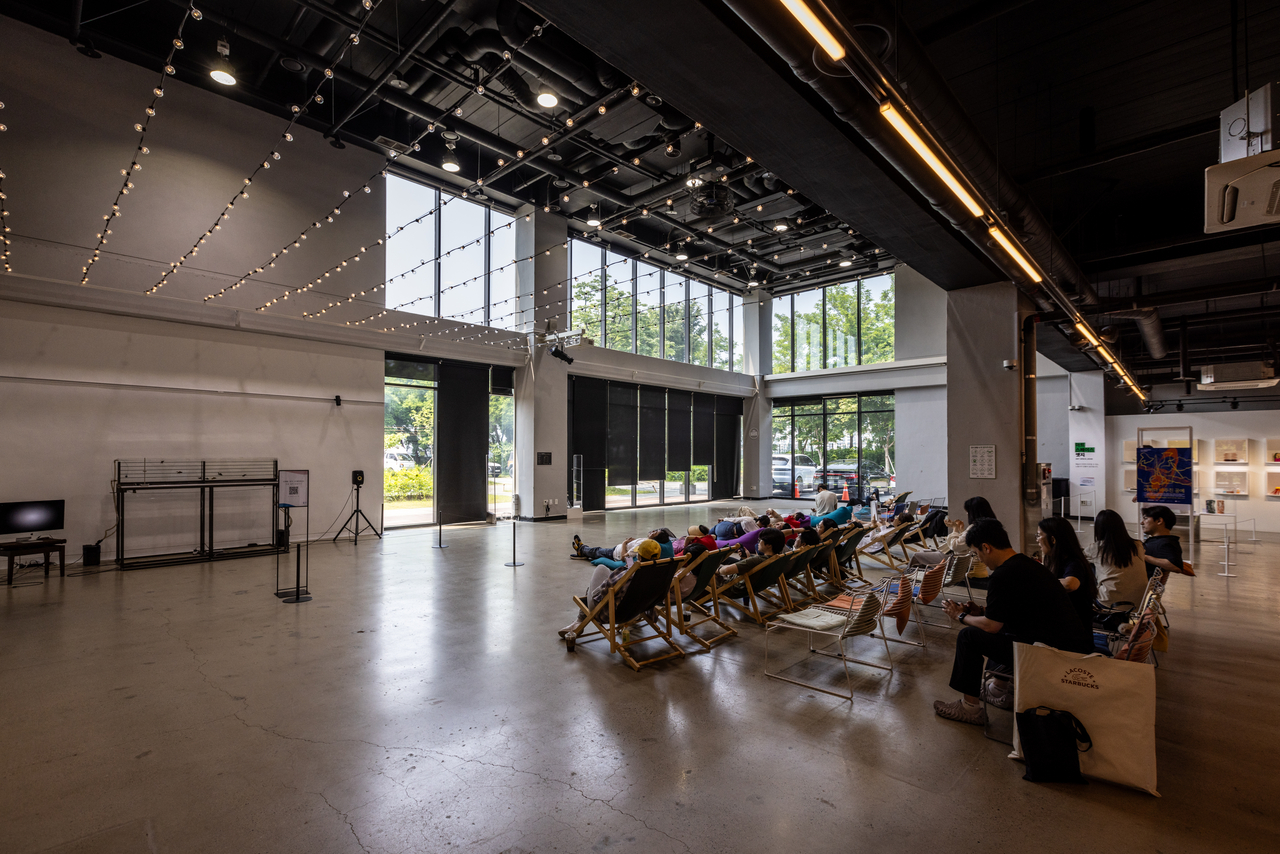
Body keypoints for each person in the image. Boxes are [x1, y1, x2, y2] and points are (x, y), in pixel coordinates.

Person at [934, 519, 1093, 725]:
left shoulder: (1002, 575)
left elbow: (992, 626)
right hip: (1069, 648)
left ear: (986, 547)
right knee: (999, 629)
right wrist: (980, 612)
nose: (979, 559)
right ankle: (997, 689)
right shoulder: (1028, 565)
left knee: (968, 636)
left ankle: (970, 709)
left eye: (976, 553)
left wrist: (960, 616)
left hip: (1051, 655)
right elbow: (1017, 611)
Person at [559, 538, 662, 636]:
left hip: (610, 613)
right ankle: (579, 621)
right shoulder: (659, 576)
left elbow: (604, 591)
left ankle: (579, 621)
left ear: (639, 556)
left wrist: (623, 572)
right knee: (599, 584)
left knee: (601, 569)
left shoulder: (628, 575)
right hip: (637, 611)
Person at [1036, 516, 1097, 634]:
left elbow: (1070, 584)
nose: (1037, 540)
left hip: (1074, 636)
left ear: (1053, 539)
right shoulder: (1054, 562)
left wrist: (1039, 581)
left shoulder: (1074, 563)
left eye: (1039, 535)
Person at [1087, 509, 1148, 608]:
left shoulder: (1096, 548)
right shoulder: (1138, 545)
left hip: (1110, 603)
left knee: (1088, 568)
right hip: (1141, 603)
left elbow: (1078, 557)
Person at [1140, 505, 1191, 579]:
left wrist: (1144, 557)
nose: (1142, 523)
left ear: (1159, 521)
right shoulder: (1157, 540)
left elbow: (1176, 567)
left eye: (1145, 519)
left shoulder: (1167, 543)